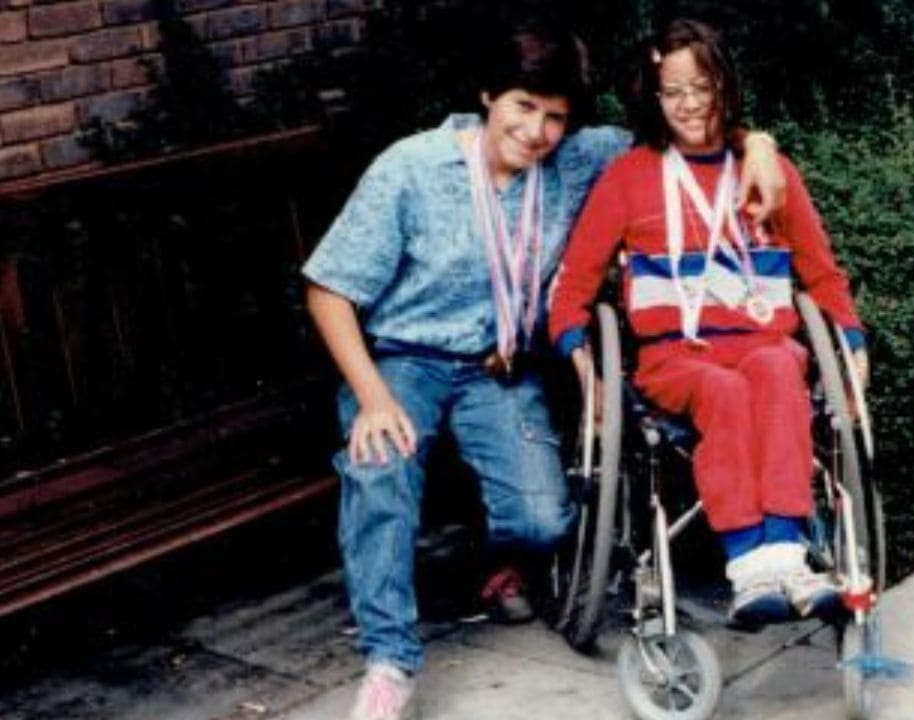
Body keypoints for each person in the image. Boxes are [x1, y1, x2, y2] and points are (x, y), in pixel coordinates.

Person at [302, 19, 786, 720]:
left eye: (555, 117)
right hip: (405, 360)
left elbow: (682, 131)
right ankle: (388, 660)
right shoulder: (411, 167)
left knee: (542, 522)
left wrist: (758, 145)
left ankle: (492, 567)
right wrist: (373, 398)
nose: (536, 131)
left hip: (498, 369)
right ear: (487, 96)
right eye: (523, 107)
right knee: (382, 468)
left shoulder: (581, 159)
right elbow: (329, 290)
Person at [548, 18, 870, 626]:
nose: (690, 104)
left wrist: (851, 342)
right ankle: (750, 566)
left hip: (761, 342)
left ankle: (787, 555)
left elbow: (822, 275)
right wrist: (580, 358)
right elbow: (573, 290)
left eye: (702, 86)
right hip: (677, 359)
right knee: (722, 389)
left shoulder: (769, 173)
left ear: (724, 84)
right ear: (653, 96)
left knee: (778, 366)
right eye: (673, 92)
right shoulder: (629, 178)